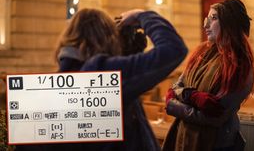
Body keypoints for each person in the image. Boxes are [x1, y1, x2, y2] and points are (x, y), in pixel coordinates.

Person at [15, 8, 187, 151]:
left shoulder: (55, 83)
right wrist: (142, 15)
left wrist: (127, 54)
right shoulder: (105, 71)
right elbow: (173, 48)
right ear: (107, 38)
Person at [162, 0, 254, 151]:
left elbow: (215, 118)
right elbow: (177, 86)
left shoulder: (241, 66)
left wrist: (173, 104)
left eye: (213, 18)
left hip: (217, 144)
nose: (205, 25)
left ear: (229, 24)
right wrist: (191, 96)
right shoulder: (201, 53)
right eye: (207, 18)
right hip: (183, 138)